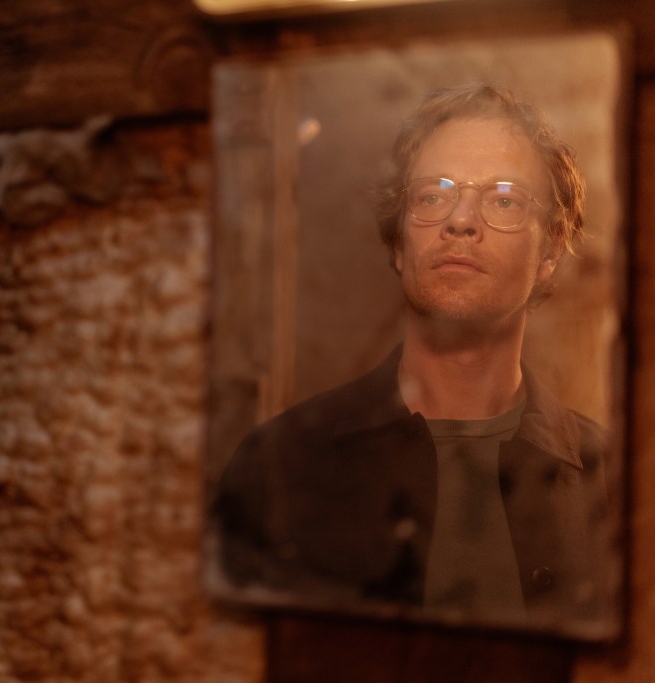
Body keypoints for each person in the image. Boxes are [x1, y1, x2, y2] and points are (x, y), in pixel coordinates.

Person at [212, 83, 612, 627]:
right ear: (399, 244)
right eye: (432, 196)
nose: (461, 220)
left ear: (550, 252)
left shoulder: (615, 486)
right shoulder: (277, 468)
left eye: (504, 200)